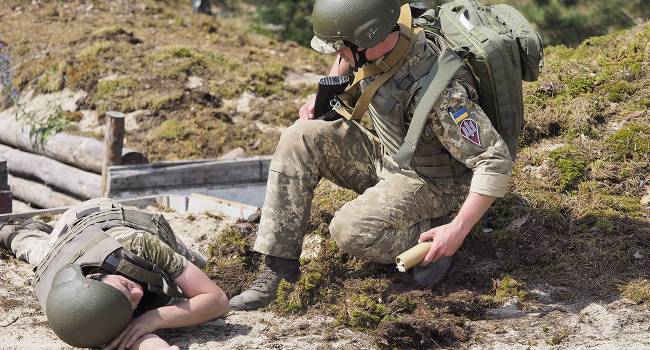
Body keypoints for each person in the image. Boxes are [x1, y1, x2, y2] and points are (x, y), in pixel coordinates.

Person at [229, 0, 514, 311]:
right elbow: (346, 65)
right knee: (299, 136)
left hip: (433, 184)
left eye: (342, 47)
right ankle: (278, 266)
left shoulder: (443, 95)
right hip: (391, 155)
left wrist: (457, 231)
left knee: (350, 229)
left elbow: (493, 159)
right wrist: (321, 101)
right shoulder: (383, 39)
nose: (338, 55)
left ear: (367, 39)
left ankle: (438, 233)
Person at [0, 198, 229, 350]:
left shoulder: (138, 244)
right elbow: (132, 338)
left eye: (126, 288)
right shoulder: (83, 310)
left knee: (200, 264)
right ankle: (19, 232)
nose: (137, 295)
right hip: (64, 243)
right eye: (130, 305)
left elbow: (217, 300)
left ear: (96, 277)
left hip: (96, 213)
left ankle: (16, 232)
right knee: (35, 252)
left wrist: (152, 318)